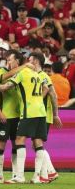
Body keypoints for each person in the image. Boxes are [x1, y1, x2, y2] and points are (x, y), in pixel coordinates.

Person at [0, 52, 55, 184]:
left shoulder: (23, 73)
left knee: (19, 140)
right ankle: (37, 177)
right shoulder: (38, 75)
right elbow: (46, 89)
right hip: (41, 112)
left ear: (33, 62)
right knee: (38, 143)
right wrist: (37, 99)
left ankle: (20, 176)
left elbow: (3, 87)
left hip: (28, 112)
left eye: (29, 60)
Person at [30, 52, 62, 181]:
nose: (28, 61)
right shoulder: (35, 75)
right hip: (37, 114)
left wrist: (55, 115)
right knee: (36, 144)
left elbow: (53, 95)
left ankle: (45, 174)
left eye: (30, 59)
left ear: (36, 61)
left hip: (43, 115)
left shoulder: (43, 76)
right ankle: (50, 172)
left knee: (37, 143)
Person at [0, 50, 23, 183]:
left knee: (16, 145)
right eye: (7, 60)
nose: (8, 62)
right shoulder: (0, 73)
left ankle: (16, 174)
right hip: (4, 115)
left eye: (10, 60)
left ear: (17, 61)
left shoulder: (23, 74)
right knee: (2, 144)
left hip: (18, 116)